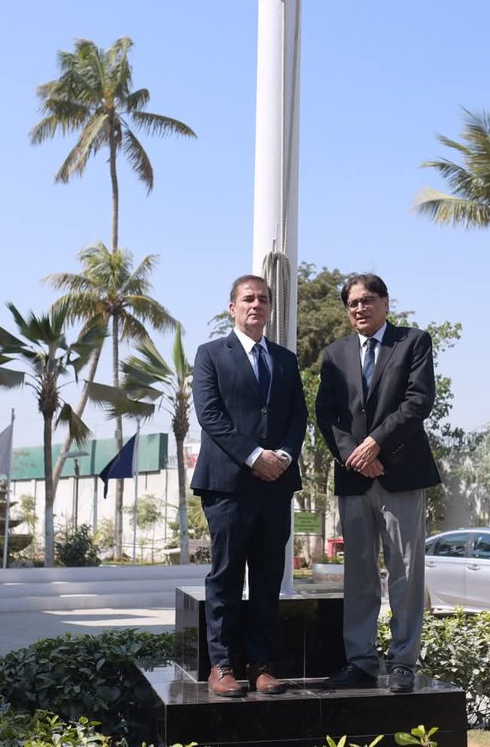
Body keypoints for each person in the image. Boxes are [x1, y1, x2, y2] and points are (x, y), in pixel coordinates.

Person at [315, 272, 441, 694]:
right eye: (352, 303)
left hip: (401, 474)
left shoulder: (413, 342)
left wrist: (375, 444)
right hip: (355, 477)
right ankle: (361, 661)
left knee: (405, 570)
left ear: (386, 303)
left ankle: (403, 662)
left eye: (368, 300)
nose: (360, 309)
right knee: (359, 574)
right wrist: (357, 455)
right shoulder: (334, 354)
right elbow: (327, 415)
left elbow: (418, 401)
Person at [191, 274, 307, 697]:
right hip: (228, 485)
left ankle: (260, 664)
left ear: (270, 308)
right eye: (247, 299)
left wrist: (284, 457)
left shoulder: (284, 359)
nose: (255, 305)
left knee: (266, 577)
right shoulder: (209, 355)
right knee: (224, 577)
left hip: (275, 486)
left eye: (262, 299)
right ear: (232, 307)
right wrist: (255, 456)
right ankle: (221, 665)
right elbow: (211, 415)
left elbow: (298, 417)